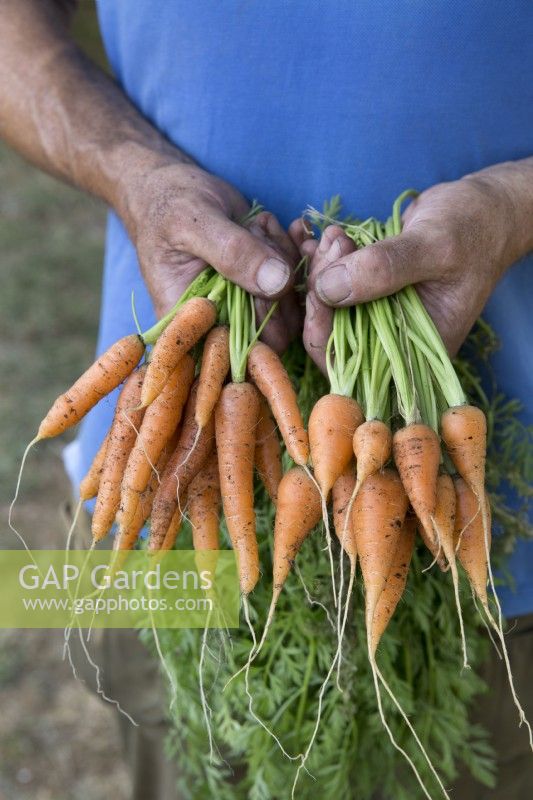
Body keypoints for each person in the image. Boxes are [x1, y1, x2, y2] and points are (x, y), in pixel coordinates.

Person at [1, 1, 532, 797]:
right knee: (182, 741)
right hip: (169, 501)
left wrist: (515, 207)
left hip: (493, 572)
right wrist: (131, 173)